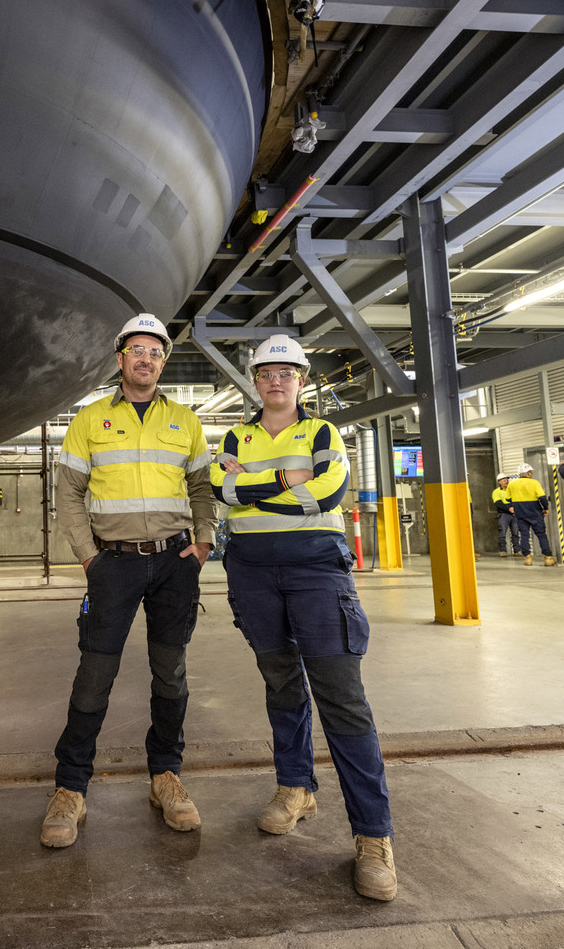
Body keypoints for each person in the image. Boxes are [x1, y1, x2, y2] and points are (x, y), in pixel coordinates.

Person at [210, 335, 398, 902]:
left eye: (286, 372)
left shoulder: (321, 432)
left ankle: (374, 835)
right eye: (266, 372)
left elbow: (331, 490)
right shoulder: (234, 435)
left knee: (341, 699)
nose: (275, 381)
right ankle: (296, 787)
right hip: (252, 574)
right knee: (282, 685)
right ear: (254, 378)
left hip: (317, 571)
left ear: (301, 379)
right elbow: (222, 491)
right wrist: (284, 484)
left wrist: (252, 490)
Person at [42, 313, 217, 849]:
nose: (146, 359)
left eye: (155, 352)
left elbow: (203, 485)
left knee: (171, 674)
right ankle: (71, 787)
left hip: (173, 563)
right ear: (120, 358)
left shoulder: (185, 421)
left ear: (164, 361)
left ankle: (165, 777)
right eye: (136, 350)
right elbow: (68, 492)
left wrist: (203, 542)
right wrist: (89, 557)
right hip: (112, 566)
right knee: (94, 676)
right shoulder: (90, 419)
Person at [508, 463, 555, 566]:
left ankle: (527, 558)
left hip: (520, 512)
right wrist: (545, 508)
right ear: (528, 473)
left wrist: (513, 505)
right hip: (534, 511)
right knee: (541, 535)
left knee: (524, 535)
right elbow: (542, 497)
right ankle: (548, 558)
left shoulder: (512, 484)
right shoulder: (534, 483)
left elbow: (508, 498)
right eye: (531, 472)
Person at [492, 474, 520, 556]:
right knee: (502, 533)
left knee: (515, 532)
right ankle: (503, 550)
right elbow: (498, 503)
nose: (506, 481)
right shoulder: (496, 492)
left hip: (514, 514)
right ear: (499, 482)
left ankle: (517, 550)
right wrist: (509, 508)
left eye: (507, 479)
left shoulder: (512, 490)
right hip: (504, 514)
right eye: (503, 480)